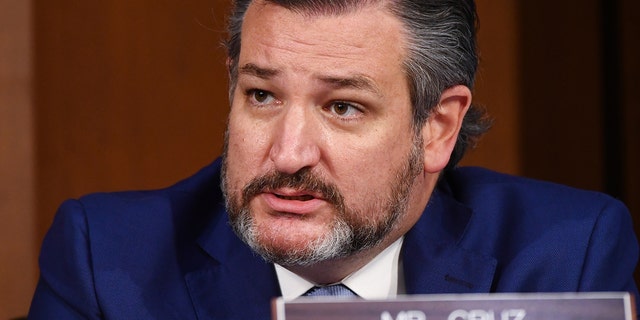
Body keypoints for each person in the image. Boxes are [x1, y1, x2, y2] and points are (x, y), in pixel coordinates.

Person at [28, 0, 639, 319]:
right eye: (261, 95)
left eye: (343, 107)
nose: (288, 153)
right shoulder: (107, 265)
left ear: (437, 126)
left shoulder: (565, 257)